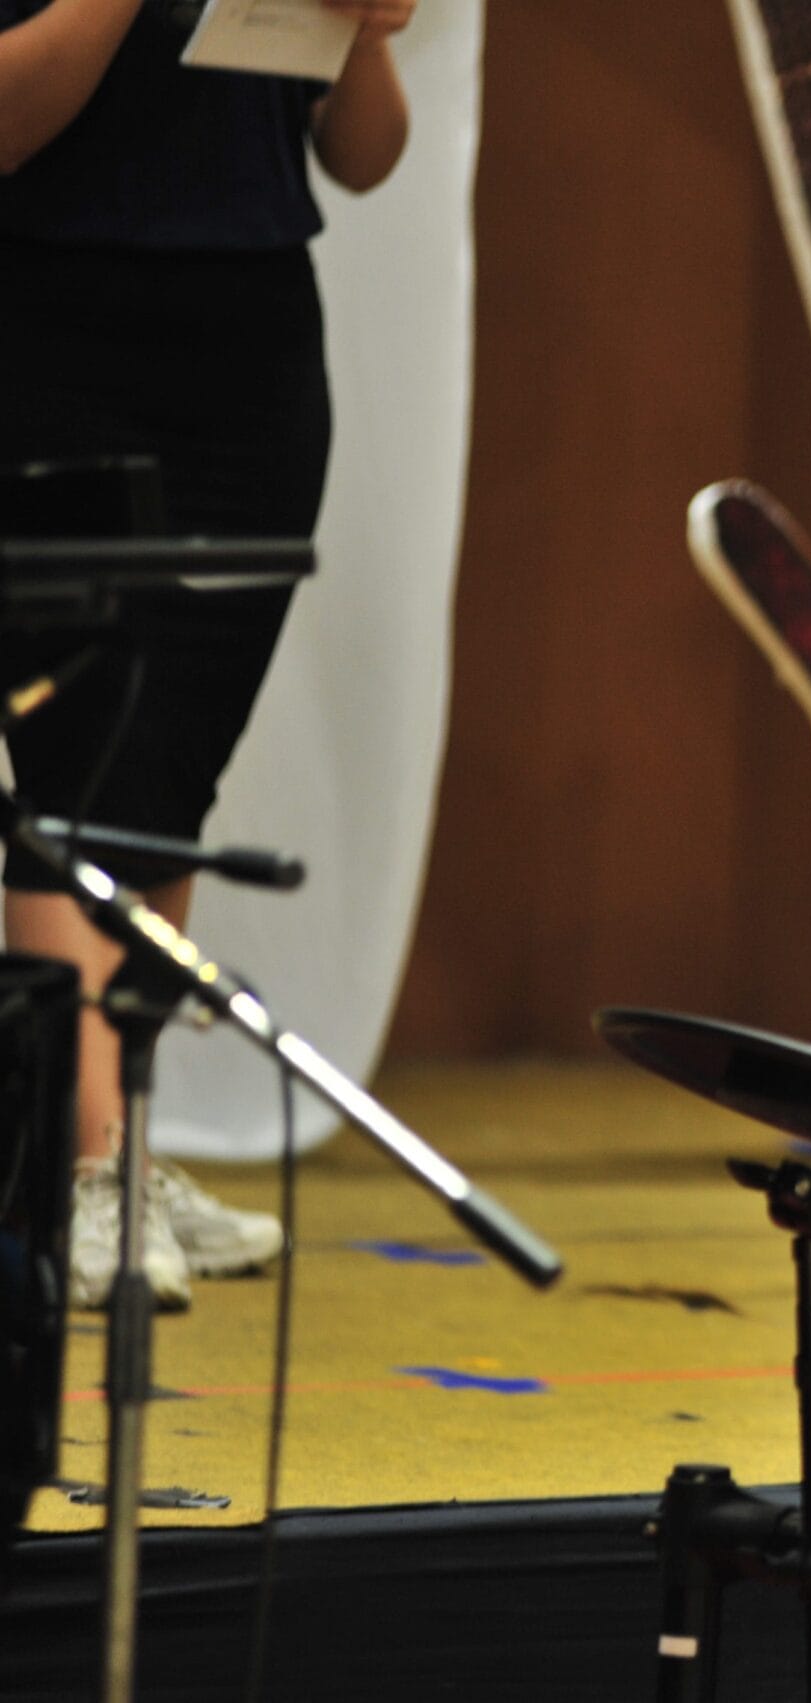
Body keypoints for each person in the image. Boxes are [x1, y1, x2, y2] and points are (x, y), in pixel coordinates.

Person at [0, 0, 415, 1308]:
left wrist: (369, 30)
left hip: (251, 347)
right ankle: (72, 1169)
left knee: (173, 762)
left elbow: (366, 155)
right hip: (54, 324)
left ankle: (119, 1143)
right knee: (72, 759)